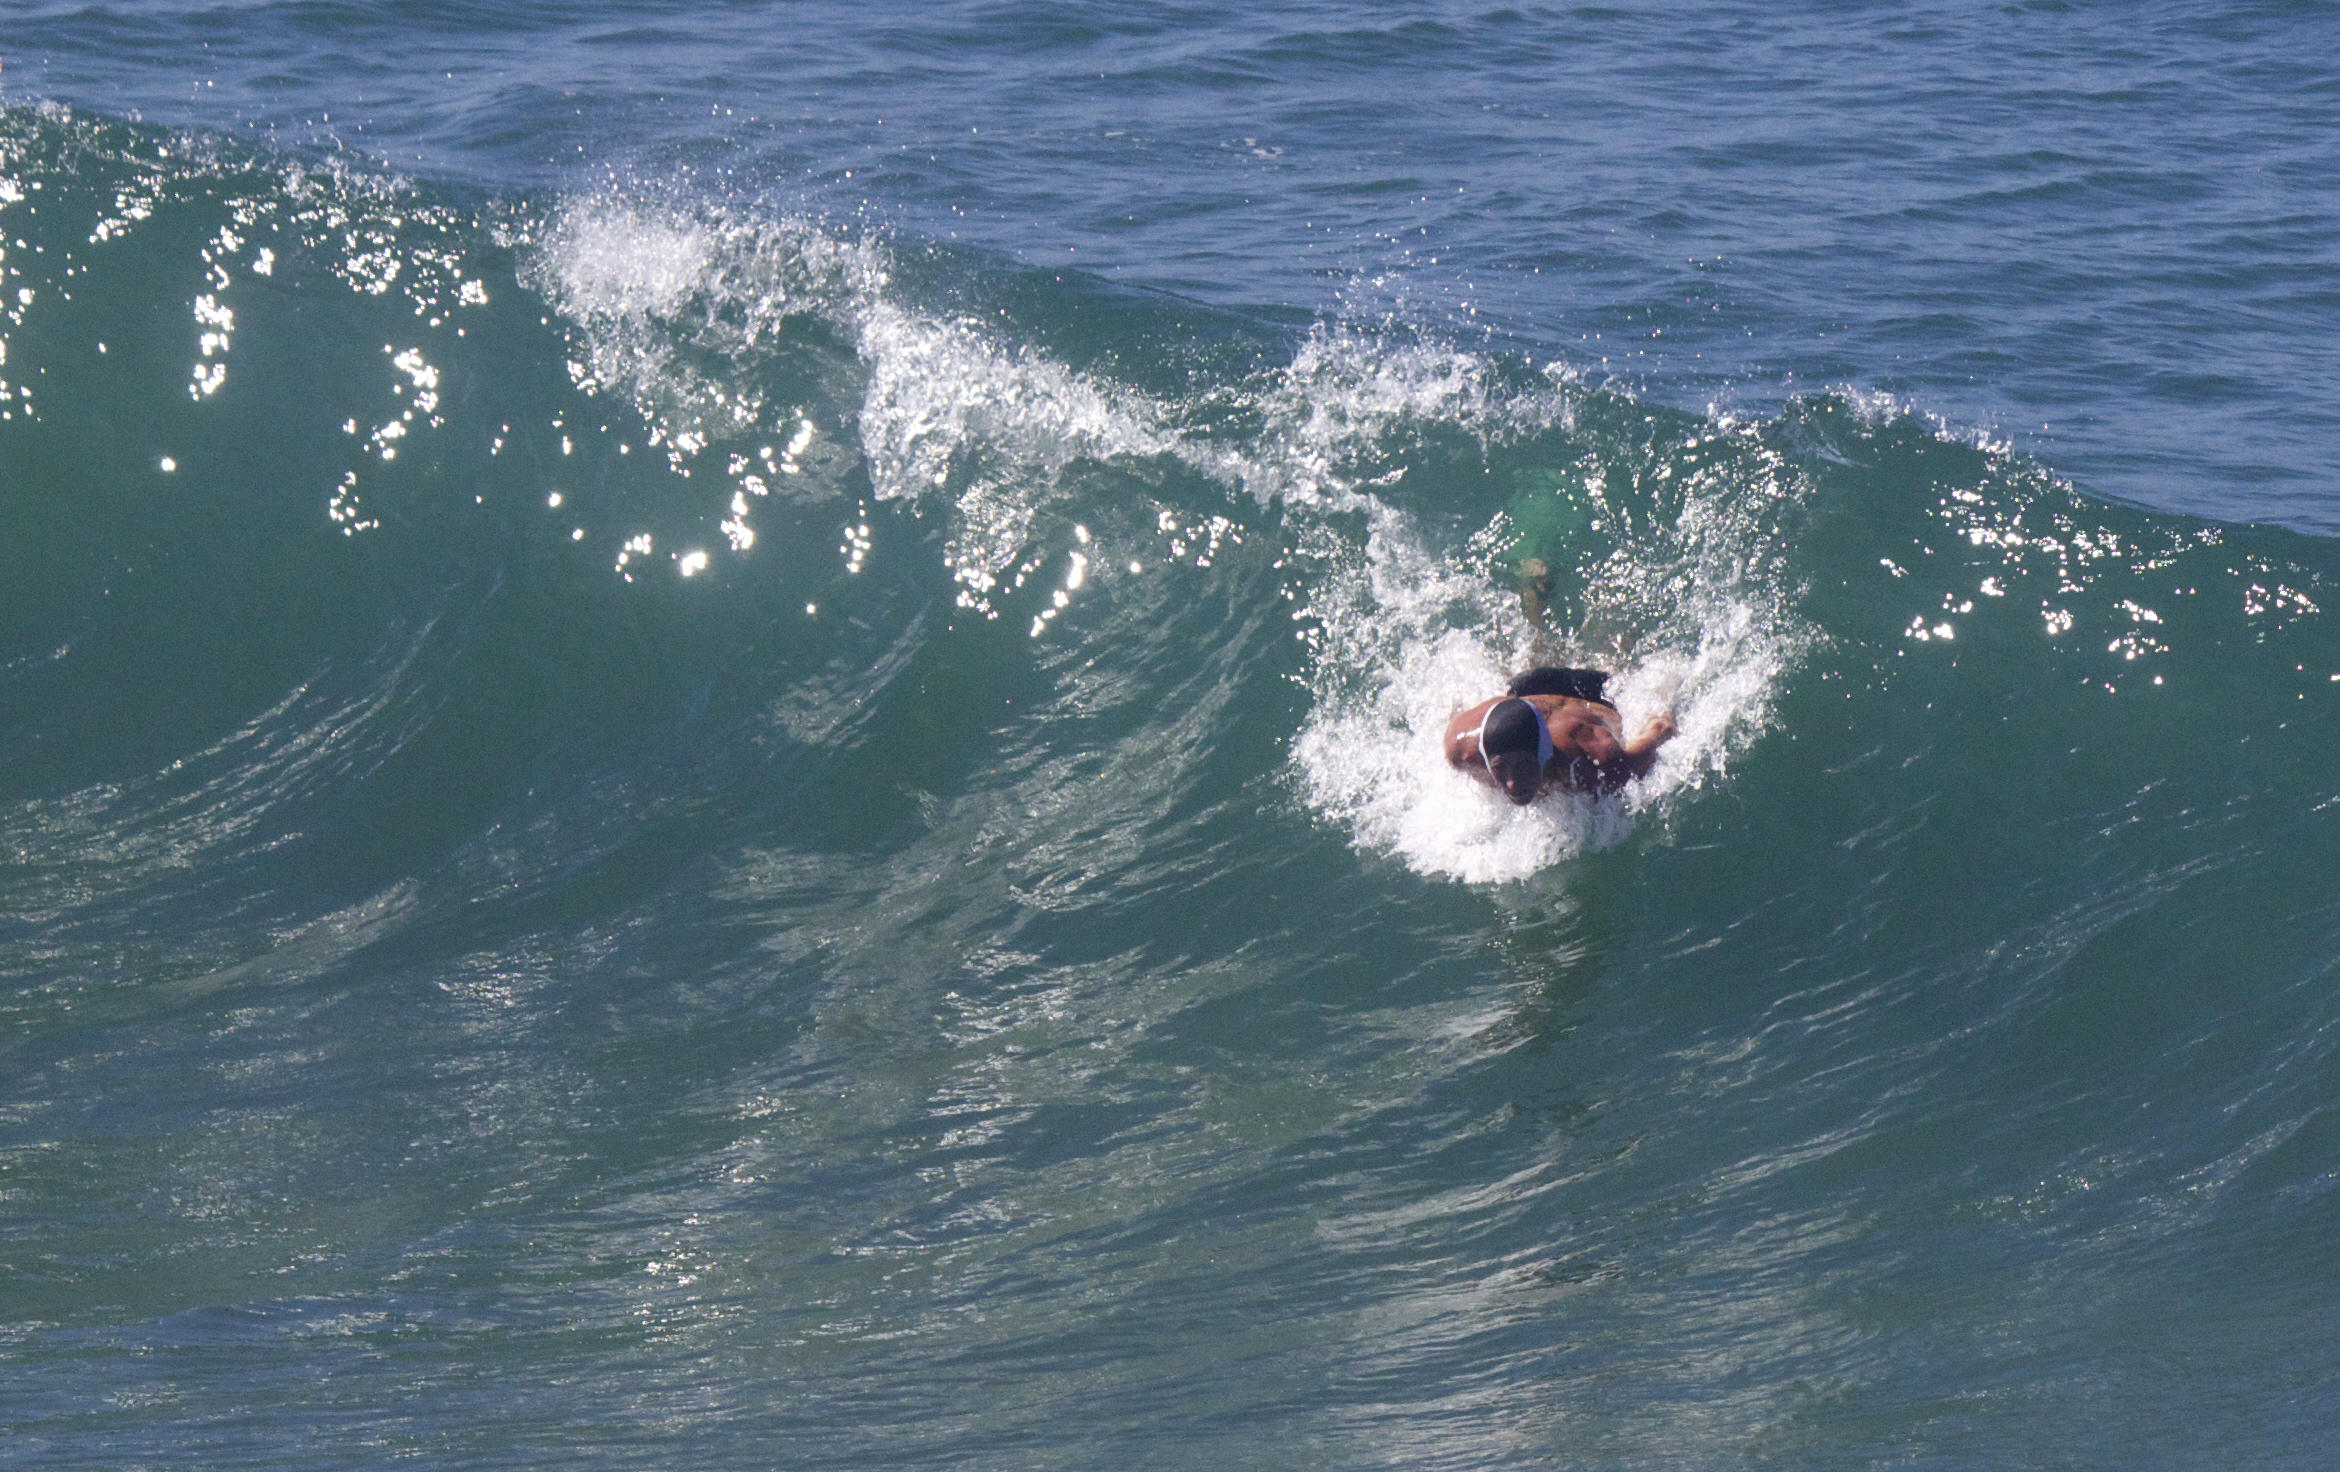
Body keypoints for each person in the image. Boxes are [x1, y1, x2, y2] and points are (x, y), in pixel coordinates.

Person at [1444, 666, 1677, 804]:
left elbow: (1660, 729)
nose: (1512, 782)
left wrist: (1661, 719)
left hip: (1592, 693)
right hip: (1530, 686)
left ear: (1543, 752)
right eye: (1499, 767)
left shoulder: (1593, 755)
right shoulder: (1461, 751)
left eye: (1524, 766)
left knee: (1615, 660)